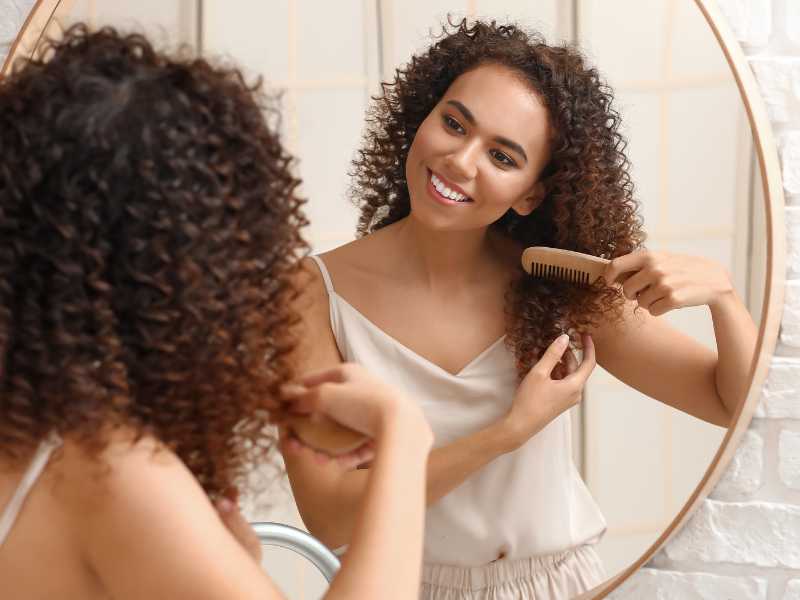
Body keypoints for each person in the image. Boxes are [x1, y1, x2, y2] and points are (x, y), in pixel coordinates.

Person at [282, 18, 757, 599]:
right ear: (422, 117)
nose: (460, 160)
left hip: (558, 585)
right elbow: (330, 515)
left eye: (502, 157)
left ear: (532, 192)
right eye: (454, 123)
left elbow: (731, 401)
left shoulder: (557, 280)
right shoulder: (312, 292)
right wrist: (511, 431)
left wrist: (724, 299)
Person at [0, 24, 434, 600]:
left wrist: (234, 563)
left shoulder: (34, 426)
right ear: (193, 275)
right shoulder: (112, 473)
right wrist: (405, 438)